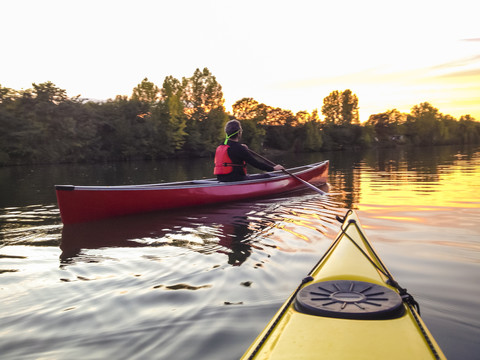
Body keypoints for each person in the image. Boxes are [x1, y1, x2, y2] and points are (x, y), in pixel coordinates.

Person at [214, 119, 284, 182]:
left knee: (250, 176)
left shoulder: (221, 146)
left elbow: (232, 148)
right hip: (235, 179)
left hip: (221, 179)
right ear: (239, 133)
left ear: (227, 133)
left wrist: (242, 148)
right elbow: (256, 163)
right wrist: (273, 168)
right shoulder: (239, 148)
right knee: (267, 176)